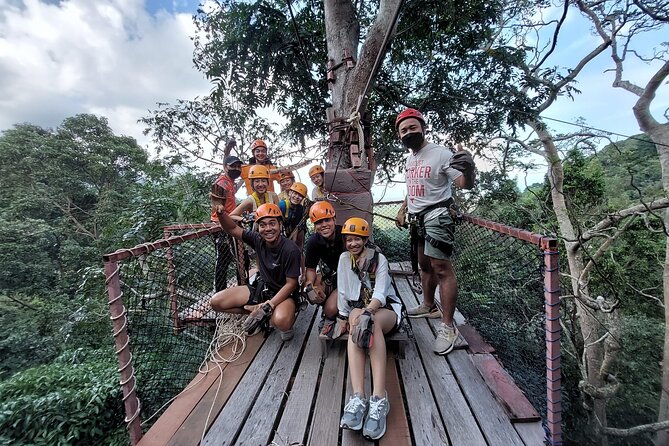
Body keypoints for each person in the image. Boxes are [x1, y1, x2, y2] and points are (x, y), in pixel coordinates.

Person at [395, 107, 474, 356]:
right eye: (403, 130)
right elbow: (413, 187)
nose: (408, 132)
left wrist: (469, 168)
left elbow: (463, 183)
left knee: (441, 268)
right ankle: (429, 305)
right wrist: (403, 208)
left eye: (412, 127)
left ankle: (448, 326)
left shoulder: (440, 154)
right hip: (417, 217)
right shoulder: (410, 159)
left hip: (438, 215)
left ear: (423, 127)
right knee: (423, 265)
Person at [337, 217, 402, 441]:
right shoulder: (345, 259)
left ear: (365, 239)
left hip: (385, 309)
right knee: (358, 323)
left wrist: (366, 313)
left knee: (369, 323)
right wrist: (344, 317)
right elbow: (344, 290)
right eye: (349, 240)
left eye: (357, 239)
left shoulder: (378, 259)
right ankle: (358, 397)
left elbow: (381, 294)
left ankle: (379, 398)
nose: (353, 244)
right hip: (358, 306)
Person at [209, 203, 301, 341]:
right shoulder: (257, 239)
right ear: (258, 227)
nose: (268, 228)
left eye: (272, 223)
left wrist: (269, 305)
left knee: (281, 321)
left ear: (280, 225)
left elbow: (291, 284)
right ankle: (256, 311)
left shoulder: (290, 249)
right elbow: (232, 228)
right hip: (262, 289)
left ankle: (272, 316)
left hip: (284, 294)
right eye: (263, 225)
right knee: (216, 302)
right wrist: (221, 214)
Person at [303, 201, 344, 338]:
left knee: (330, 310)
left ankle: (333, 309)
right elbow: (310, 268)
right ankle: (328, 302)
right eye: (319, 222)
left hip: (350, 277)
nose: (324, 225)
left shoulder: (344, 235)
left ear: (334, 219)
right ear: (315, 226)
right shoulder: (314, 241)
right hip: (333, 275)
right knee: (311, 290)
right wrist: (310, 285)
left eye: (327, 220)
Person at [210, 155, 243, 292]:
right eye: (232, 166)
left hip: (229, 222)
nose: (236, 169)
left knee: (236, 258)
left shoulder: (230, 182)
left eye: (237, 166)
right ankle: (220, 291)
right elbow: (217, 204)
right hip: (220, 225)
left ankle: (239, 287)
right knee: (223, 260)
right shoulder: (222, 183)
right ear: (225, 167)